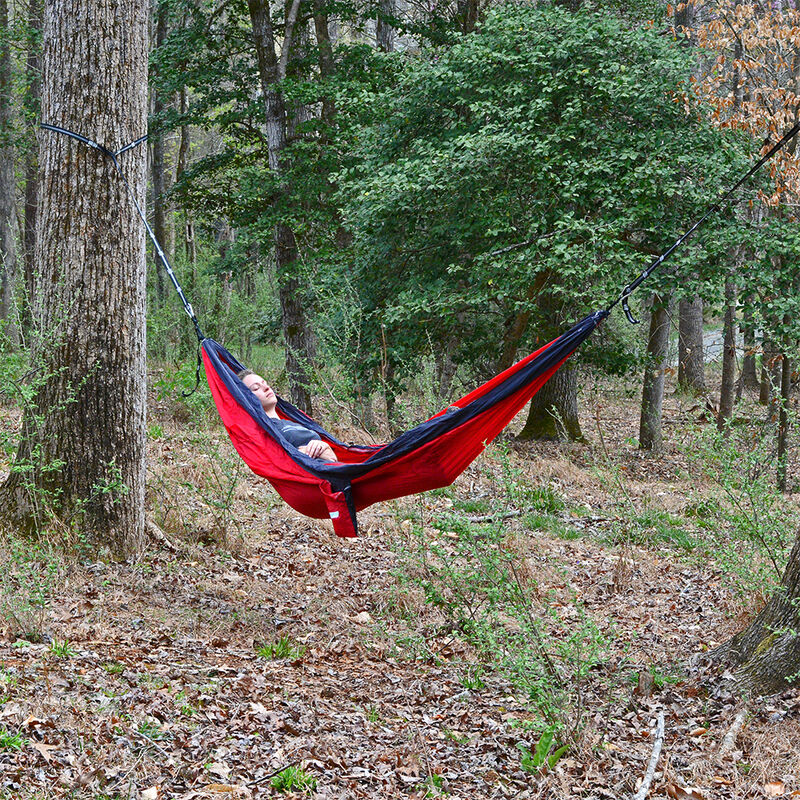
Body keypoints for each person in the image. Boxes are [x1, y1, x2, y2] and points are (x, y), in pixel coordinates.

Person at [236, 369, 338, 462]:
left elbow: (332, 458)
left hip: (336, 472)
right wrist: (306, 453)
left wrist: (325, 447)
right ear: (246, 399)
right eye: (256, 388)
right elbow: (276, 462)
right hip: (317, 477)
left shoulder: (291, 421)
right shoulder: (263, 431)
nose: (266, 388)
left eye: (265, 383)